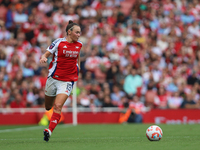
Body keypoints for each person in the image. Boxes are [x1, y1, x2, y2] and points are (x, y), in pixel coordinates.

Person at [39, 20, 82, 142]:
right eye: (77, 32)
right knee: (48, 107)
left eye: (80, 33)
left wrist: (78, 69)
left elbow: (77, 57)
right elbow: (47, 53)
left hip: (67, 81)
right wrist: (43, 57)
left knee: (58, 106)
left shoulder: (79, 44)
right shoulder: (58, 43)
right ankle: (50, 120)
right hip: (53, 79)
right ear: (69, 32)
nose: (79, 35)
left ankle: (49, 131)